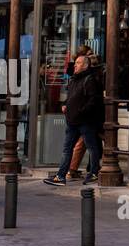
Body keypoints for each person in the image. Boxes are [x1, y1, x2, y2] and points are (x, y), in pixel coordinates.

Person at [45, 54, 105, 186]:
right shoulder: (74, 79)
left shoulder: (90, 80)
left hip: (85, 121)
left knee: (92, 147)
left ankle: (94, 173)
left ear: (85, 65)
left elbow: (93, 100)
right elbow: (71, 97)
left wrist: (81, 112)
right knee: (67, 149)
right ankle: (61, 176)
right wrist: (65, 104)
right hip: (72, 121)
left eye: (78, 63)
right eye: (76, 62)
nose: (75, 65)